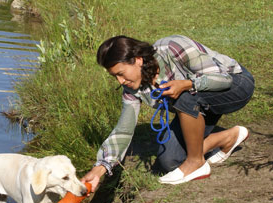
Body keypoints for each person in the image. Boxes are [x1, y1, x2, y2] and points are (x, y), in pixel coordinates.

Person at [81, 35, 254, 189]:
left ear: (138, 60)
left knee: (184, 97)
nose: (120, 81)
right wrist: (101, 168)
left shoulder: (172, 47)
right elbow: (123, 130)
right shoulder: (131, 89)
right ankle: (228, 138)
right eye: (115, 76)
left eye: (121, 73)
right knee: (169, 161)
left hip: (237, 85)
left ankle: (196, 163)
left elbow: (224, 80)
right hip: (199, 103)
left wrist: (187, 84)